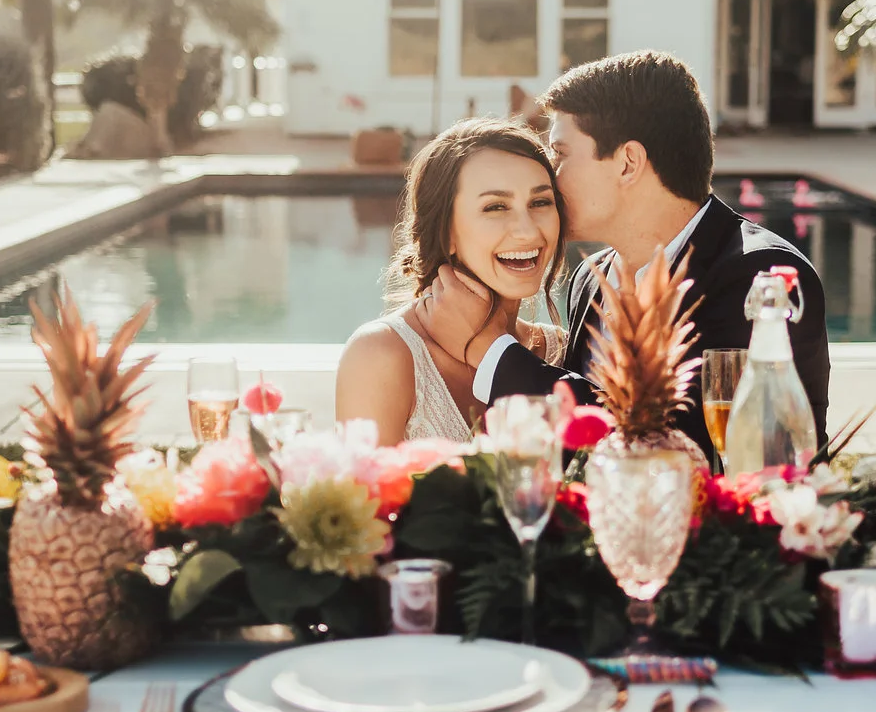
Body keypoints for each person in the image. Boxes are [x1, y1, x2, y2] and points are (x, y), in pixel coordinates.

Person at [418, 50, 829, 456]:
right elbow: (579, 445)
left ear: (627, 163)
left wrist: (490, 351)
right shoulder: (590, 279)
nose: (549, 176)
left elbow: (681, 449)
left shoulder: (761, 277)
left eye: (560, 154)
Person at [336, 118, 568, 444]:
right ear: (445, 233)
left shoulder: (559, 350)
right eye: (495, 207)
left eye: (540, 202)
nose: (529, 231)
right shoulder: (382, 354)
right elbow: (362, 494)